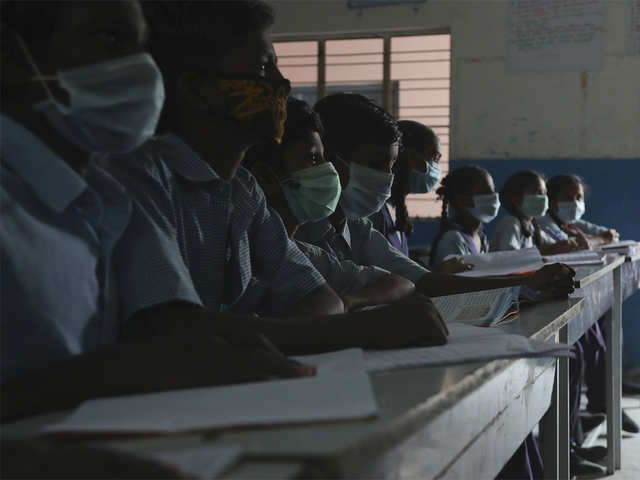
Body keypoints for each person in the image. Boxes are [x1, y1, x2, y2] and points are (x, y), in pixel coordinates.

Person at [0, 0, 313, 423]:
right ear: (10, 56)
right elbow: (166, 335)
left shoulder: (101, 198)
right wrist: (117, 373)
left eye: (142, 46)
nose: (142, 67)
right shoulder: (133, 179)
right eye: (110, 38)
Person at [104, 1, 449, 351]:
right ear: (196, 90)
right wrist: (362, 330)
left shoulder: (243, 191)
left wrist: (309, 330)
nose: (282, 84)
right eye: (262, 67)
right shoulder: (142, 177)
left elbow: (321, 298)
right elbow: (173, 326)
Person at [296, 93, 575, 300]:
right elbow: (403, 284)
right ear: (330, 159)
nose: (385, 177)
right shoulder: (300, 231)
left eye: (390, 166)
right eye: (374, 164)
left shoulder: (356, 226)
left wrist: (525, 284)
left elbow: (423, 280)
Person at [249, 97, 415, 311]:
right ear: (266, 176)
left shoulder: (298, 250)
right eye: (314, 158)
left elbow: (402, 283)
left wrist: (348, 301)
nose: (329, 169)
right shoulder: (254, 246)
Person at [368, 120, 442, 257]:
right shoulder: (374, 212)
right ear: (411, 157)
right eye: (435, 157)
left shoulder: (396, 209)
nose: (437, 168)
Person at [538, 174, 619, 251]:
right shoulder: (542, 221)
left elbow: (611, 235)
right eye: (568, 197)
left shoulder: (570, 221)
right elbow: (569, 245)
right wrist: (601, 239)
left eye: (579, 197)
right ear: (551, 202)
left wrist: (589, 239)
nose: (575, 203)